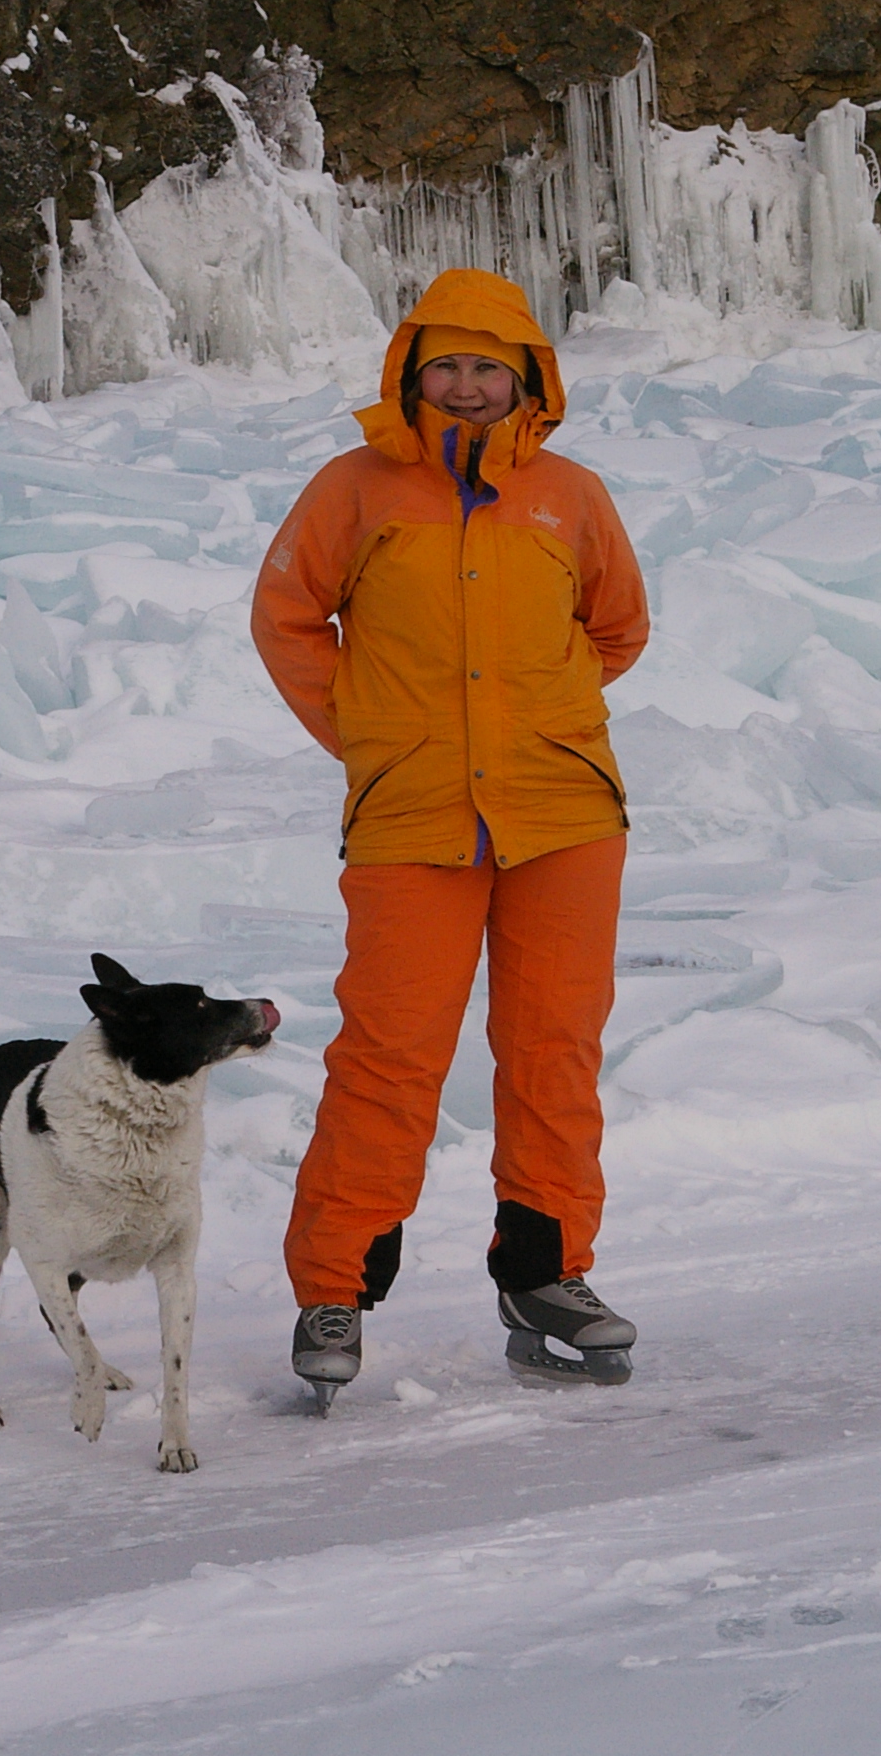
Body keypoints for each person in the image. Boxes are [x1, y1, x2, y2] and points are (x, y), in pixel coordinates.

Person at [249, 266, 649, 1396]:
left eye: (489, 367)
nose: (467, 387)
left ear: (527, 378)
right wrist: (370, 733)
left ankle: (546, 1272)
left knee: (552, 1054)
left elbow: (614, 627)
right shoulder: (355, 488)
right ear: (410, 373)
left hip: (564, 815)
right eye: (447, 366)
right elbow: (284, 616)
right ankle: (333, 1286)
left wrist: (548, 726)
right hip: (411, 816)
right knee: (386, 1056)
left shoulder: (568, 494)